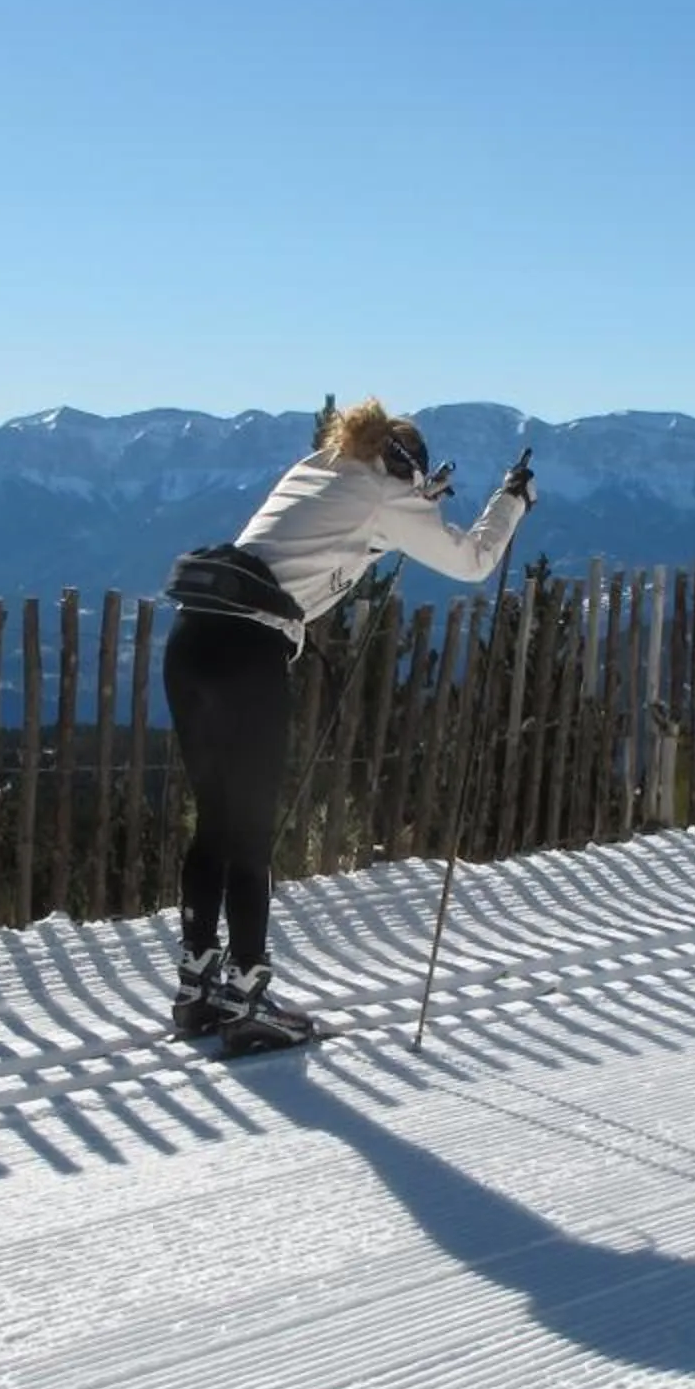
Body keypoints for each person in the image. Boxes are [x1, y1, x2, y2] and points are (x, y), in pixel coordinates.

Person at [162, 399, 535, 1052]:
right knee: (251, 835)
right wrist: (511, 503)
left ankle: (198, 987)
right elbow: (473, 561)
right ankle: (248, 999)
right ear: (408, 467)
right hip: (250, 654)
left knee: (216, 824)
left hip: (191, 639)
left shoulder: (320, 464)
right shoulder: (391, 494)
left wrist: (414, 506)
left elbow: (341, 531)